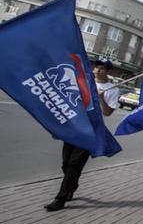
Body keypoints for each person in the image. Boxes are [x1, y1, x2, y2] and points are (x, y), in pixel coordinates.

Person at [45, 59, 119, 212]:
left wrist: (100, 97)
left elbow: (108, 112)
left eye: (102, 69)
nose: (97, 71)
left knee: (74, 164)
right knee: (66, 162)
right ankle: (72, 184)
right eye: (96, 67)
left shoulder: (112, 89)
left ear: (109, 72)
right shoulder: (84, 80)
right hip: (75, 126)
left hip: (91, 130)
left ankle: (60, 198)